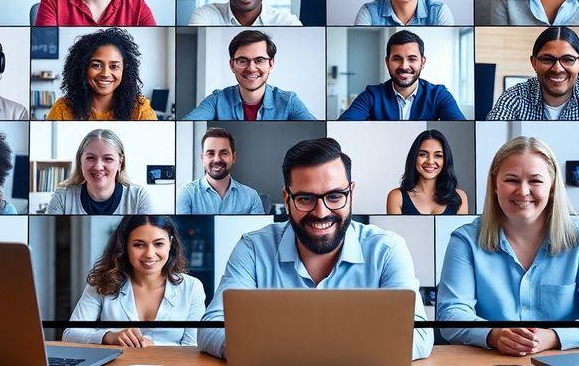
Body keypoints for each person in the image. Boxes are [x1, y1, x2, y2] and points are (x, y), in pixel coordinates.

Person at [197, 138, 433, 360]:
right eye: (306, 198)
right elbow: (212, 328)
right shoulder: (253, 249)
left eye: (334, 196)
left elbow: (419, 336)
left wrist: (280, 350)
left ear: (351, 193)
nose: (321, 213)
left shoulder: (388, 250)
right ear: (287, 199)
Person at [437, 136, 579, 355]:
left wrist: (554, 336)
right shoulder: (465, 241)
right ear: (494, 185)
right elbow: (451, 313)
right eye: (511, 180)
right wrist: (494, 334)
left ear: (552, 186)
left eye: (536, 181)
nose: (523, 191)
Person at [62, 216, 205, 347]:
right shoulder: (102, 282)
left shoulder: (192, 287)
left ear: (170, 243)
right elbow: (70, 334)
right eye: (138, 245)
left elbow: (193, 347)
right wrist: (108, 337)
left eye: (159, 244)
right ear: (124, 246)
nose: (149, 254)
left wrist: (154, 345)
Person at [486, 26, 579, 121]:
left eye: (568, 59)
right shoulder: (514, 97)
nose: (557, 69)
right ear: (534, 62)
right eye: (547, 59)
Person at [182, 30, 315, 120]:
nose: (251, 68)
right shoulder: (217, 100)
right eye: (242, 61)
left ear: (271, 64)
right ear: (232, 65)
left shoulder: (289, 102)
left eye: (260, 60)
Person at [339, 30, 465, 120]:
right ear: (387, 62)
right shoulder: (372, 95)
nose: (404, 66)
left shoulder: (439, 95)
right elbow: (345, 123)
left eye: (412, 59)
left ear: (423, 62)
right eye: (397, 59)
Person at [46, 27, 156, 121]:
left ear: (125, 70)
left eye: (114, 66)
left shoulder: (141, 111)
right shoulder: (62, 109)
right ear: (83, 68)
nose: (105, 73)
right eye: (96, 65)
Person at [45, 129, 153, 215]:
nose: (98, 167)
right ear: (80, 161)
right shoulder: (62, 197)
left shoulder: (139, 197)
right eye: (91, 158)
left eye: (108, 159)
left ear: (120, 162)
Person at [177, 127, 265, 214]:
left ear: (233, 157)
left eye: (224, 153)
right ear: (202, 159)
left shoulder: (251, 197)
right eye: (210, 153)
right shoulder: (186, 194)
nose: (217, 159)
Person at [387, 130, 468, 215]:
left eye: (438, 155)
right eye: (423, 154)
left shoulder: (460, 197)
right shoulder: (396, 197)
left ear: (446, 160)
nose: (430, 161)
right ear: (414, 157)